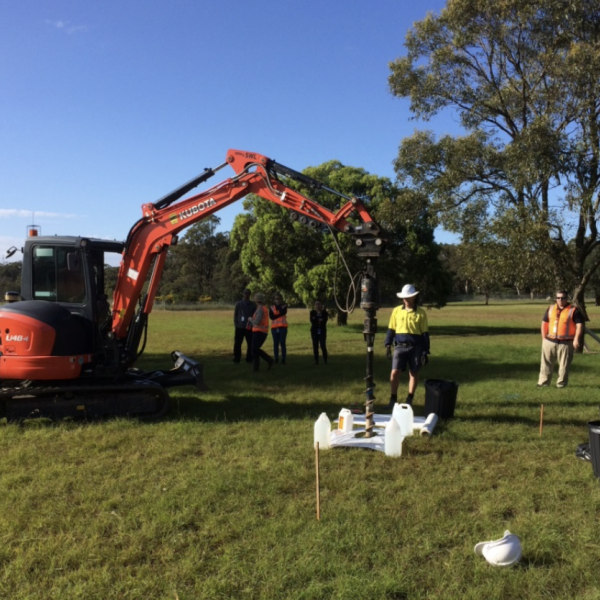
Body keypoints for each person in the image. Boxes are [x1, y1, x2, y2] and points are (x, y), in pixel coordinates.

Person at [384, 284, 430, 409]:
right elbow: (391, 329)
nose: (405, 299)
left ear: (414, 297)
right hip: (399, 347)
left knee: (414, 372)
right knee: (394, 372)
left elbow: (425, 333)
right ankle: (393, 399)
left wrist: (425, 351)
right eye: (404, 297)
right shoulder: (396, 311)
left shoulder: (421, 313)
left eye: (408, 297)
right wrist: (388, 344)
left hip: (416, 347)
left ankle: (409, 399)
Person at [537, 290, 584, 388]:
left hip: (566, 343)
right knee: (545, 365)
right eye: (558, 298)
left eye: (563, 298)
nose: (560, 300)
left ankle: (561, 385)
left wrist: (576, 339)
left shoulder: (573, 310)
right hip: (549, 341)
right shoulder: (551, 308)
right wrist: (544, 339)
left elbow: (579, 326)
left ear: (567, 298)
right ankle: (543, 384)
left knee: (564, 366)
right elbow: (544, 323)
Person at [248, 292, 274, 371]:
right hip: (262, 331)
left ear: (256, 300)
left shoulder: (260, 309)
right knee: (255, 349)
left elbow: (257, 321)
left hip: (259, 331)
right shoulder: (264, 308)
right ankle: (267, 362)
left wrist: (250, 319)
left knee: (254, 349)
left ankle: (264, 363)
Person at [233, 289, 256, 364]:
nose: (246, 295)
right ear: (243, 294)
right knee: (237, 343)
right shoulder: (239, 304)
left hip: (249, 327)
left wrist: (252, 324)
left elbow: (254, 315)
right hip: (239, 327)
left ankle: (249, 358)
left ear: (250, 295)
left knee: (250, 343)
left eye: (248, 293)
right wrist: (236, 324)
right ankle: (237, 358)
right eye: (245, 293)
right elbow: (236, 315)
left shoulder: (253, 304)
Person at [269, 292, 288, 364]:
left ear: (281, 299)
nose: (277, 300)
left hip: (283, 327)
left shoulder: (284, 306)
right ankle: (276, 358)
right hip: (274, 328)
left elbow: (283, 312)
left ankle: (283, 359)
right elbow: (271, 317)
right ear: (274, 300)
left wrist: (276, 314)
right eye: (276, 299)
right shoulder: (271, 307)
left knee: (282, 342)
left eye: (279, 299)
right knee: (275, 343)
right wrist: (278, 314)